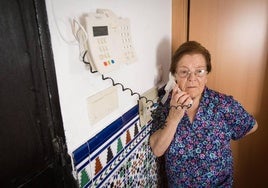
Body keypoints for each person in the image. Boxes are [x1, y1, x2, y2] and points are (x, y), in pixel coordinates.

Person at [149, 41, 258, 187]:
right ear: (174, 75)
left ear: (206, 74)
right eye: (184, 71)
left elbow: (252, 125)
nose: (192, 78)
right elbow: (157, 150)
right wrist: (173, 118)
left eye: (199, 71)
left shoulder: (224, 104)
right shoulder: (166, 106)